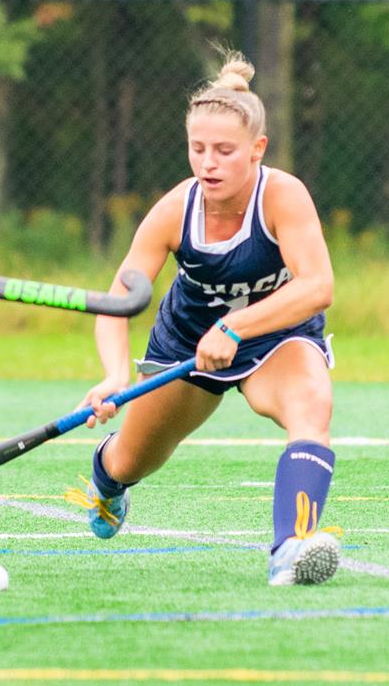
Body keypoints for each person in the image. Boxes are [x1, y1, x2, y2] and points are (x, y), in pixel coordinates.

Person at [72, 55, 341, 586]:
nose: (209, 163)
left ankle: (292, 547)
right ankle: (107, 479)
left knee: (311, 406)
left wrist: (238, 328)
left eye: (224, 151)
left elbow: (317, 287)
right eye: (198, 149)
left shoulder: (283, 196)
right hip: (186, 348)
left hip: (275, 336)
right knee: (131, 462)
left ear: (256, 150)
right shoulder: (176, 210)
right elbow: (118, 301)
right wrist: (113, 375)